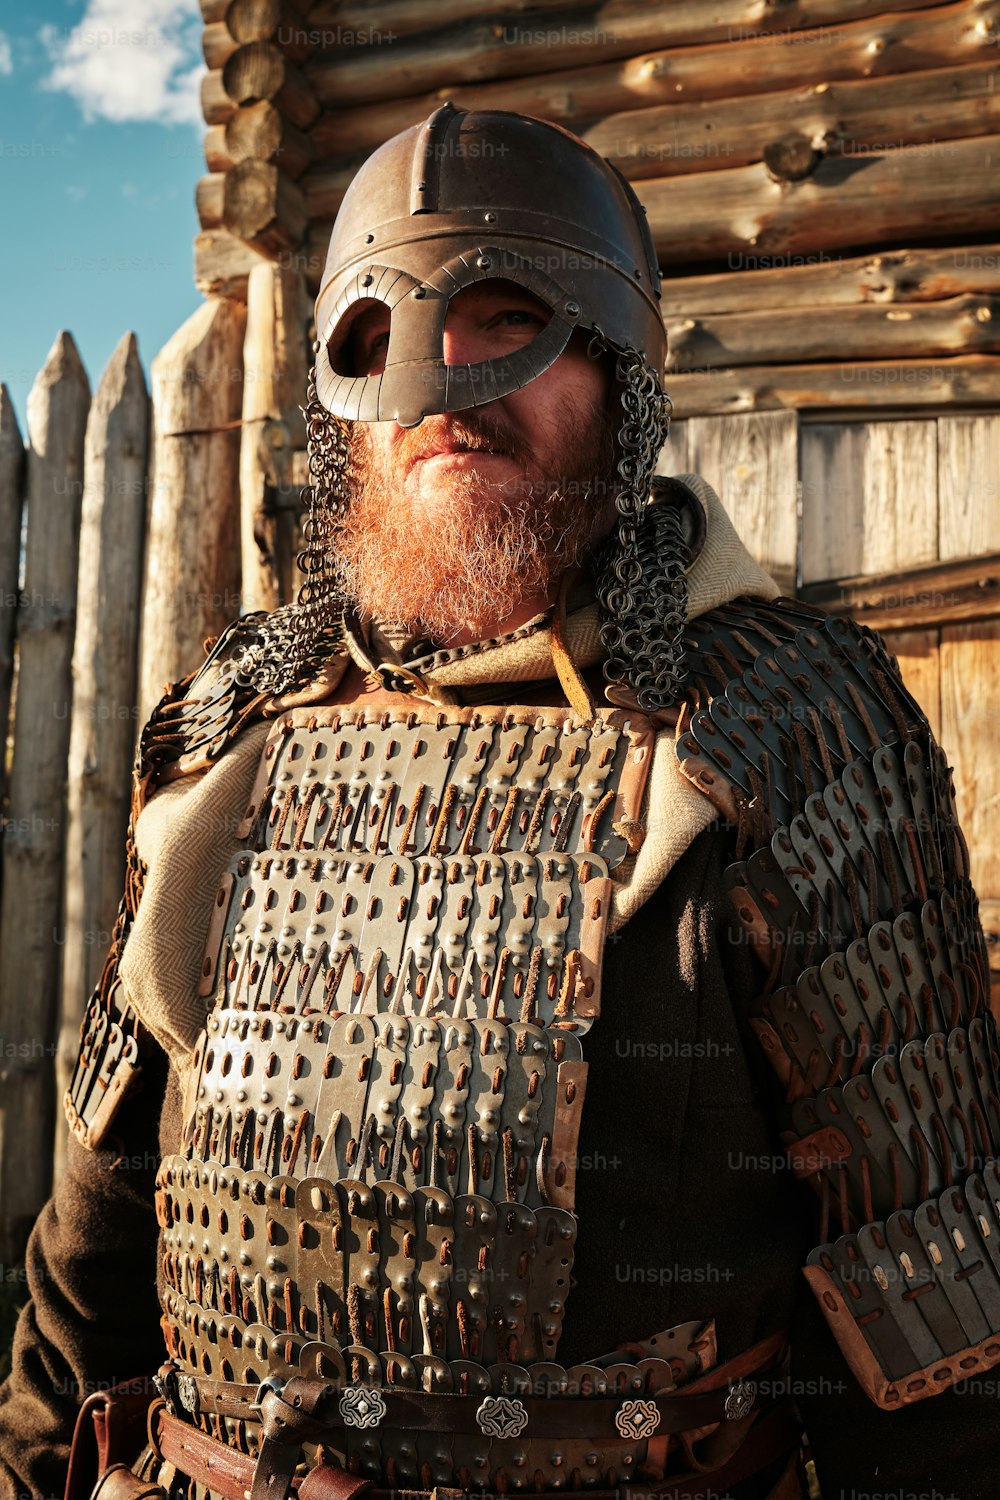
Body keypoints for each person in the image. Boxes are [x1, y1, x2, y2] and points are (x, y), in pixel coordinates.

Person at [1, 103, 999, 1500]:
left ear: (618, 370)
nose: (445, 379)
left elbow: (940, 1361)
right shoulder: (231, 729)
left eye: (507, 313)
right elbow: (87, 1278)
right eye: (382, 335)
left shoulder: (788, 734)